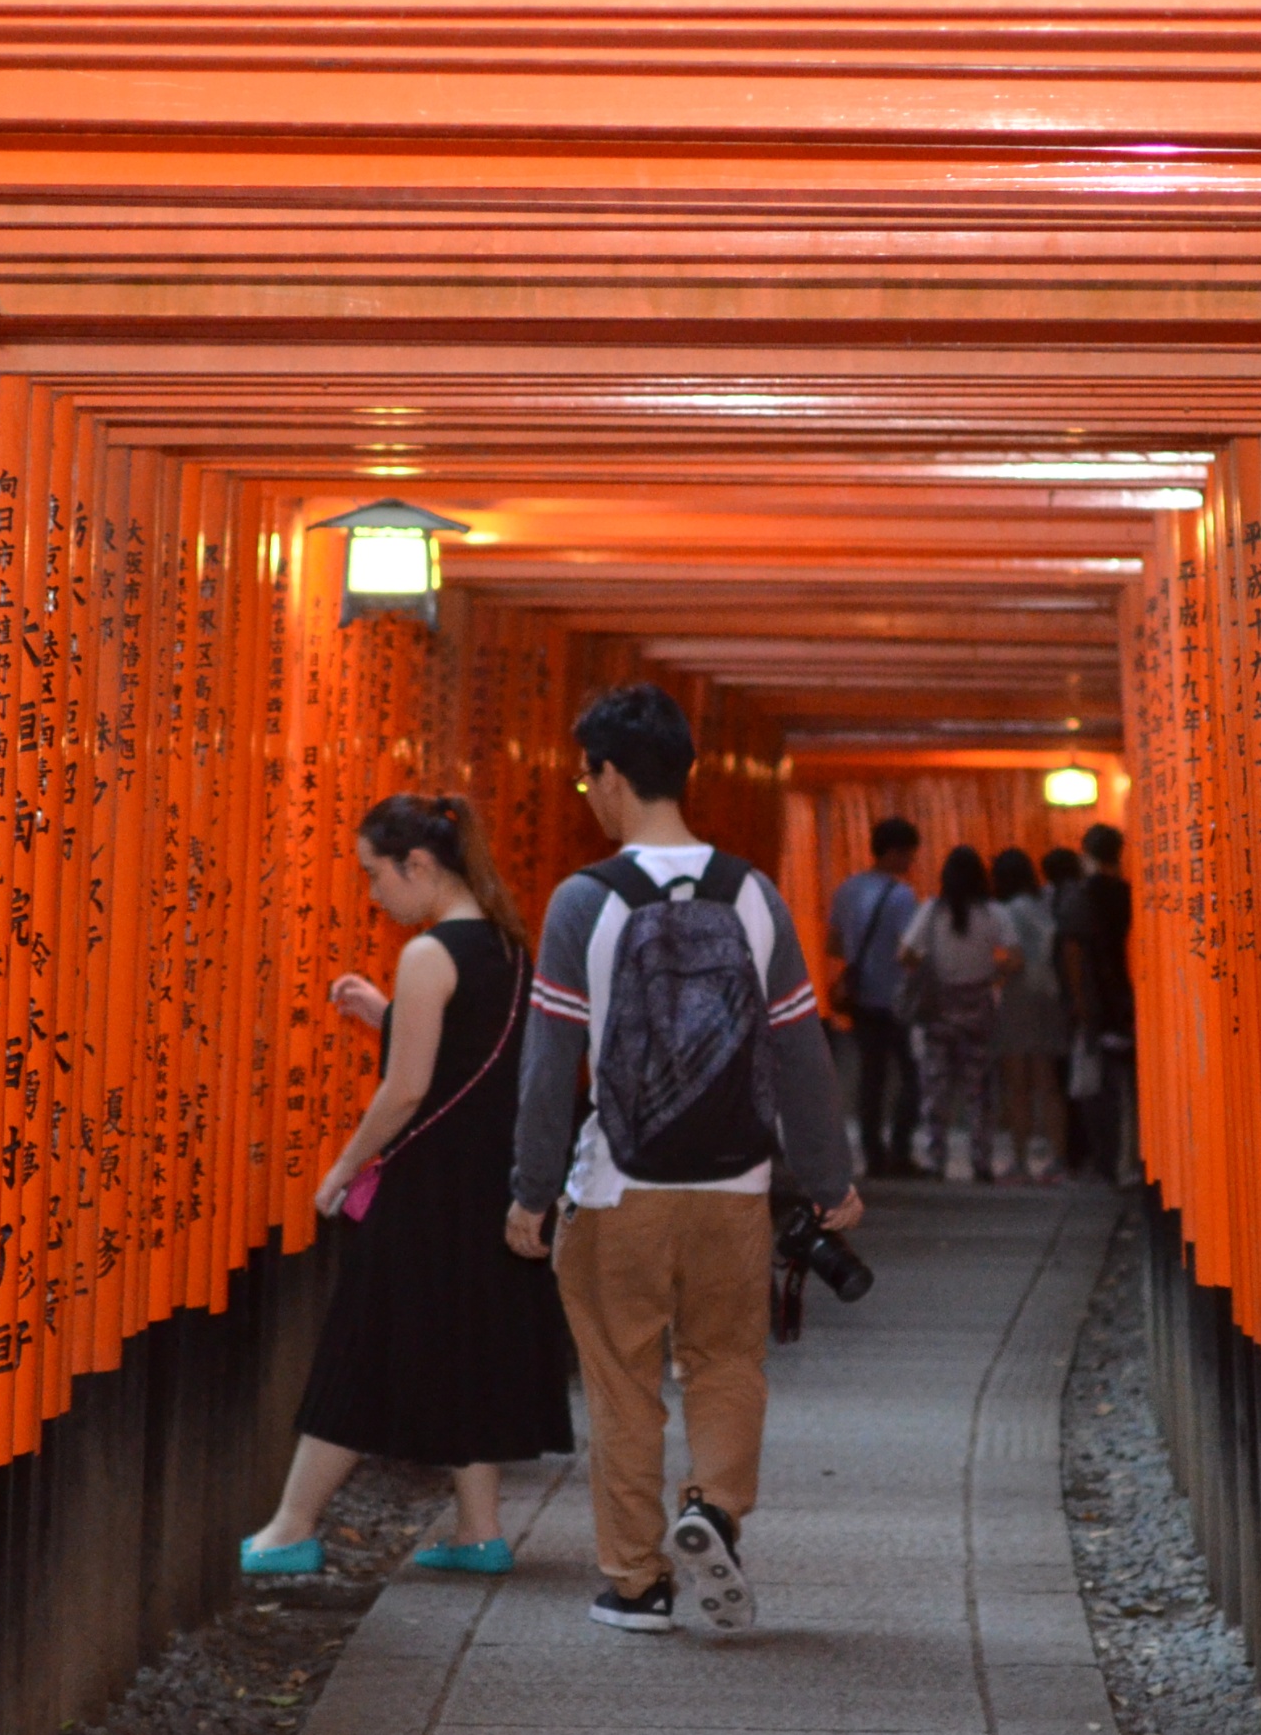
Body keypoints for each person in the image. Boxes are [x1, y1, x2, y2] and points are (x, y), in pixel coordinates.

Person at [508, 684, 862, 1633]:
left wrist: (530, 1193)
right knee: (726, 1362)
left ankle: (636, 1581)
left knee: (623, 1379)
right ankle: (713, 1509)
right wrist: (829, 1183)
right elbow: (798, 1049)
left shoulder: (586, 900)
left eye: (589, 777)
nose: (588, 793)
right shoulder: (752, 894)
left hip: (619, 1188)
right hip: (734, 1187)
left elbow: (551, 1062)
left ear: (612, 776)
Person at [243, 794, 576, 1578]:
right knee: (464, 1347)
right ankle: (479, 1528)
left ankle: (290, 1527)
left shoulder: (431, 954)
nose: (372, 894)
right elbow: (471, 1061)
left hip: (427, 1192)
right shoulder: (511, 944)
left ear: (418, 866)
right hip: (486, 1184)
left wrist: (344, 1165)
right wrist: (384, 1013)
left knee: (363, 1344)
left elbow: (406, 1089)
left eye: (374, 874)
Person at [901, 845, 1021, 1184]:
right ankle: (980, 1160)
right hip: (979, 1007)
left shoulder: (932, 911)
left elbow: (905, 955)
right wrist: (990, 971)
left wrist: (932, 969)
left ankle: (935, 1159)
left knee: (936, 1088)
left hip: (939, 1009)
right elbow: (1014, 957)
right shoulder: (993, 912)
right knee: (979, 1090)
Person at [826, 815, 925, 1180]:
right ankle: (901, 1149)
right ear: (896, 853)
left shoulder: (847, 889)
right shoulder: (901, 895)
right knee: (913, 1076)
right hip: (895, 999)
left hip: (861, 998)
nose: (912, 862)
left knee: (872, 1078)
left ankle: (873, 1155)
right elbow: (909, 950)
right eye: (910, 854)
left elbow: (833, 944)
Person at [1057, 823, 1137, 1181]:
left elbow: (1072, 951)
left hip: (1094, 1001)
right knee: (1126, 1087)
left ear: (1086, 852)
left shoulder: (1082, 896)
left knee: (1096, 1088)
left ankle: (1106, 1161)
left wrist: (1078, 1001)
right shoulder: (1127, 894)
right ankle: (1125, 1160)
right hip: (1126, 998)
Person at [986, 842, 1070, 1183]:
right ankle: (1058, 1159)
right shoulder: (1045, 903)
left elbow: (1010, 956)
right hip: (1049, 997)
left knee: (1017, 1085)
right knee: (1048, 1084)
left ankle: (1020, 1162)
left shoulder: (1006, 911)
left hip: (1017, 997)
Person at [1038, 846, 1098, 1172]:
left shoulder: (1054, 899)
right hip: (1068, 1000)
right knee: (1075, 1079)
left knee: (1066, 1079)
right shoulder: (1072, 897)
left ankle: (1072, 1152)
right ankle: (1078, 1151)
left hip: (1056, 1000)